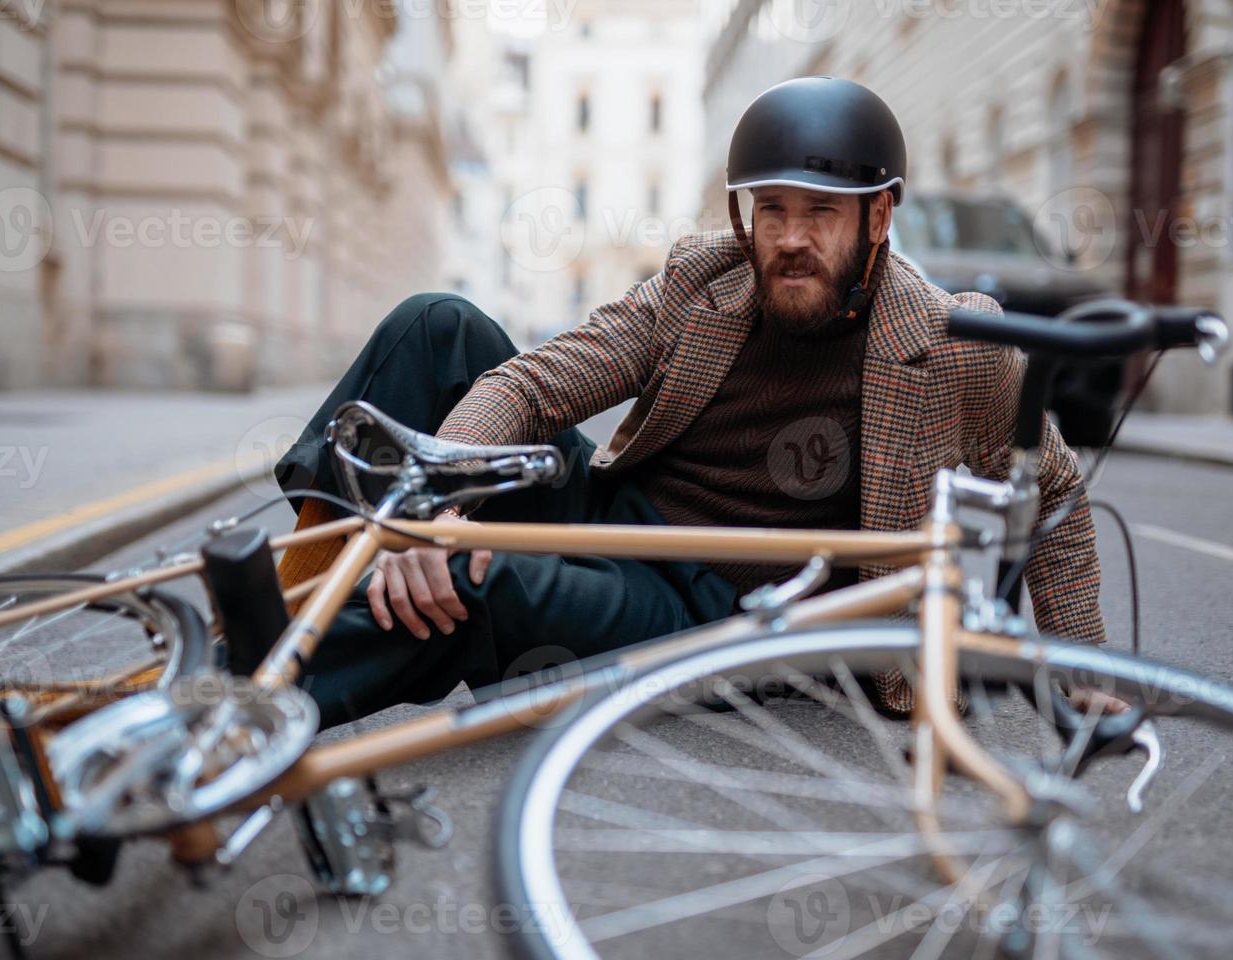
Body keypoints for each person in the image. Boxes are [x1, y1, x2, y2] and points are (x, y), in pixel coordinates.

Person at [272, 77, 1108, 730]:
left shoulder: (955, 343)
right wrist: (439, 496)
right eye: (772, 210)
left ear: (878, 216)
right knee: (437, 325)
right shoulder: (702, 281)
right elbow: (532, 384)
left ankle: (238, 709)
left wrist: (1083, 669)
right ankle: (281, 608)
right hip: (617, 517)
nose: (789, 239)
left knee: (472, 577)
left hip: (710, 612)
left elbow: (1055, 492)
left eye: (821, 213)